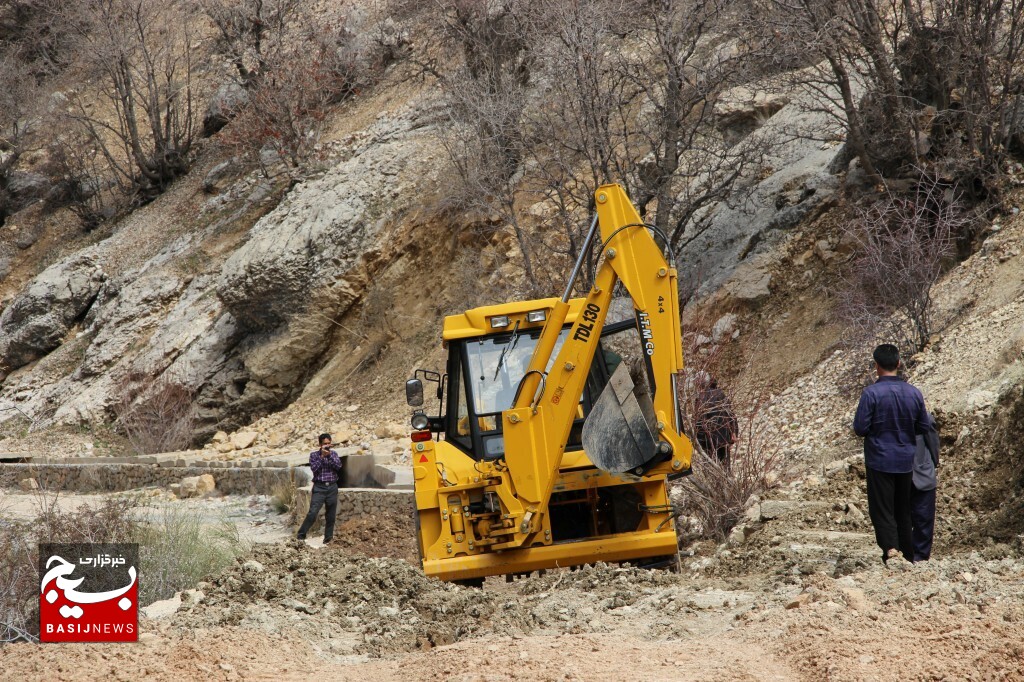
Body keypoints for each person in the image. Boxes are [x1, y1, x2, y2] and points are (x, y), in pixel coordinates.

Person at [853, 344, 932, 564]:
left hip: (879, 459)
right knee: (903, 509)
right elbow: (923, 426)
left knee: (882, 509)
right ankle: (907, 554)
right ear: (898, 363)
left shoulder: (871, 393)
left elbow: (860, 428)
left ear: (876, 366)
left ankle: (890, 550)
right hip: (906, 459)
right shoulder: (913, 392)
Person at [296, 433, 343, 545]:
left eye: (328, 443)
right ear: (320, 444)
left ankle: (328, 538)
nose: (327, 446)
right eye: (324, 444)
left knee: (331, 515)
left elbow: (338, 466)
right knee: (312, 512)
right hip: (319, 487)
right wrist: (322, 456)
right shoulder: (314, 455)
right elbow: (314, 469)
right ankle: (301, 535)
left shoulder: (334, 454)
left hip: (332, 486)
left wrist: (329, 455)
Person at [911, 411, 940, 562]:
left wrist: (932, 464)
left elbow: (933, 442)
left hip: (921, 473)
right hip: (898, 474)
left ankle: (921, 557)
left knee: (924, 517)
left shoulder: (924, 418)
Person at [695, 374, 738, 467]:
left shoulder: (701, 398)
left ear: (698, 384)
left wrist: (699, 442)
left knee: (712, 472)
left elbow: (700, 423)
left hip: (709, 442)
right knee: (725, 469)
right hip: (724, 439)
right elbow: (731, 415)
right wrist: (734, 434)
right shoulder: (720, 394)